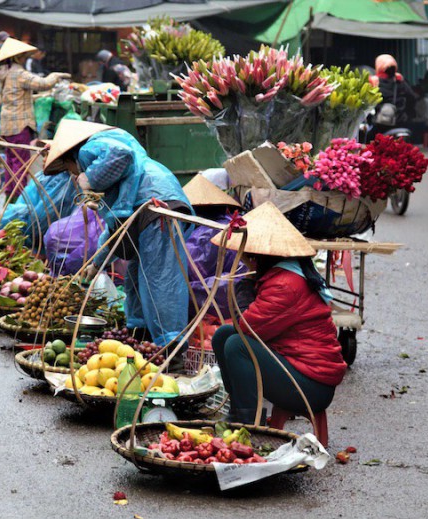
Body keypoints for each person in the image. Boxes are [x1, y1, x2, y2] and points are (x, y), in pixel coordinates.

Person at [44, 120, 194, 348]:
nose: (73, 176)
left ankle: (171, 348)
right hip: (145, 210)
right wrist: (96, 264)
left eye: (68, 169)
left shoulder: (89, 150)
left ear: (69, 158)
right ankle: (141, 337)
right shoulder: (103, 160)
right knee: (136, 278)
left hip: (157, 205)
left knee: (160, 280)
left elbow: (121, 154)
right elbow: (115, 231)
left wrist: (89, 179)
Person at [209, 202, 347, 424]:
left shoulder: (285, 284)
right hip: (296, 366)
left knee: (237, 345)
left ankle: (249, 424)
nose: (243, 259)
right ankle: (237, 412)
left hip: (312, 385)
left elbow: (248, 329)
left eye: (246, 254)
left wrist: (244, 291)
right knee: (223, 335)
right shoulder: (283, 273)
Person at [0, 37, 69, 196]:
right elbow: (43, 84)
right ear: (17, 57)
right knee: (20, 164)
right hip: (19, 124)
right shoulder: (18, 73)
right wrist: (56, 75)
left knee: (10, 161)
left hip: (7, 123)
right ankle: (17, 198)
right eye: (23, 56)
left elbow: (15, 94)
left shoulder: (4, 72)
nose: (25, 58)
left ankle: (9, 195)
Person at [182, 174, 246, 320]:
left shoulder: (206, 233)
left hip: (225, 295)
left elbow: (193, 266)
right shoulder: (228, 223)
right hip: (239, 293)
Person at [372, 54, 417, 127]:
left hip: (381, 124)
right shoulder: (400, 81)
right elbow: (412, 98)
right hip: (401, 122)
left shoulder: (374, 82)